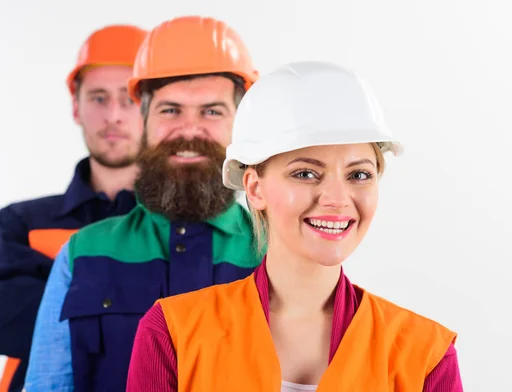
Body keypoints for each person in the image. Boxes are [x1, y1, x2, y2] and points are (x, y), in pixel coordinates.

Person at [126, 61, 464, 391]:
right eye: (305, 173)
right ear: (255, 189)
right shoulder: (172, 335)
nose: (337, 198)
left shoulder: (425, 356)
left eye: (358, 175)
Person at [22, 15, 262, 392]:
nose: (189, 129)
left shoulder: (276, 252)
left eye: (212, 111)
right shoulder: (81, 254)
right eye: (170, 110)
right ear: (145, 119)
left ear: (242, 125)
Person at [0, 24, 147, 392]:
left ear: (154, 110)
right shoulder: (23, 224)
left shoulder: (179, 226)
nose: (113, 115)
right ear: (76, 107)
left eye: (127, 99)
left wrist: (65, 296)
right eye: (98, 98)